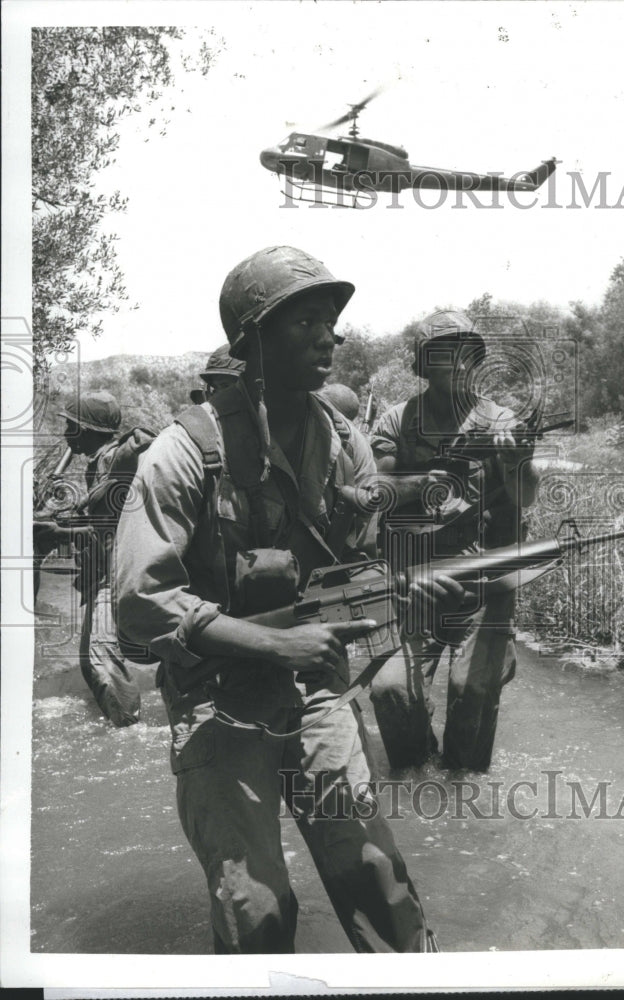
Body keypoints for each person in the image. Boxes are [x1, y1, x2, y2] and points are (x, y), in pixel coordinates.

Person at [115, 246, 462, 954]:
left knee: (374, 876)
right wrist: (274, 643)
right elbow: (139, 603)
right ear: (251, 342)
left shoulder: (344, 444)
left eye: (330, 320)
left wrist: (404, 587)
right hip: (216, 696)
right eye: (304, 320)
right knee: (258, 908)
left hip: (315, 688)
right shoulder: (183, 456)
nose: (327, 335)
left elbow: (354, 571)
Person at [370, 310, 538, 773]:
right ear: (425, 365)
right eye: (446, 356)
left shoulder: (500, 419)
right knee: (390, 691)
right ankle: (414, 776)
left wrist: (518, 458)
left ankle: (464, 791)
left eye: (467, 355)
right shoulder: (396, 422)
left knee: (471, 692)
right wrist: (428, 482)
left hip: (482, 579)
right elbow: (375, 497)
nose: (460, 365)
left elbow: (525, 496)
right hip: (412, 582)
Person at [35, 390, 141, 726]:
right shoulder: (100, 465)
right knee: (89, 658)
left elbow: (110, 534)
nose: (66, 433)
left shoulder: (111, 464)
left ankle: (129, 734)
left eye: (71, 426)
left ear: (87, 431)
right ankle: (119, 722)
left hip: (114, 572)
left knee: (102, 658)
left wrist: (58, 533)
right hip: (102, 572)